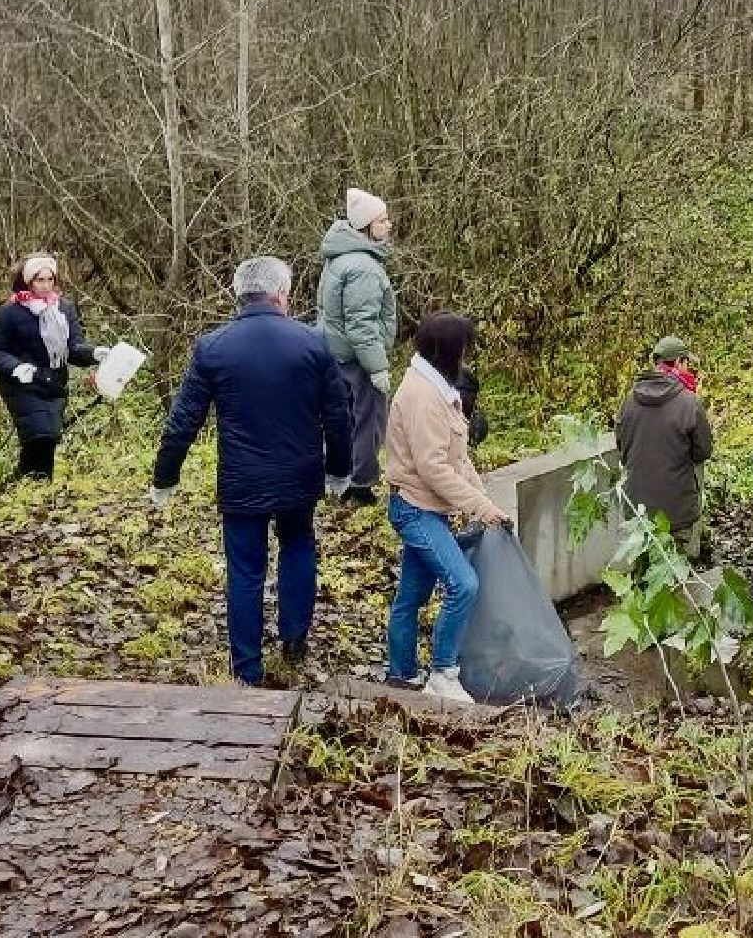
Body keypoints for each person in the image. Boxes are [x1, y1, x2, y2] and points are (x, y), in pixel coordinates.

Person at [150, 257, 353, 687]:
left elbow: (184, 419)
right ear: (283, 293)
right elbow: (337, 415)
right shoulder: (313, 343)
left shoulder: (214, 347)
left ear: (238, 294)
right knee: (298, 545)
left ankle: (247, 667)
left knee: (245, 569)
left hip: (242, 477)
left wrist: (165, 476)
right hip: (298, 475)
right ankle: (294, 637)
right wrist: (339, 470)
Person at [382, 313, 511, 702]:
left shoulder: (439, 389)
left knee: (411, 596)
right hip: (414, 508)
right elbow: (434, 468)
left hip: (428, 508)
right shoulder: (423, 396)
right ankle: (443, 673)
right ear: (451, 351)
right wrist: (480, 510)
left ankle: (401, 675)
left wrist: (485, 504)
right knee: (463, 583)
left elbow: (459, 460)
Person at [0, 254, 110, 479]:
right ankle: (32, 487)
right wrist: (16, 367)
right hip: (22, 386)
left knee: (47, 440)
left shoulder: (64, 309)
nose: (46, 285)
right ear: (28, 281)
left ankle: (29, 485)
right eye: (40, 280)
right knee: (39, 435)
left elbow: (73, 348)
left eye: (50, 279)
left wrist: (94, 354)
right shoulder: (10, 312)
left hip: (54, 385)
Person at [316, 187, 397, 505]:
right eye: (383, 220)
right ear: (367, 226)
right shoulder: (362, 267)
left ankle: (338, 479)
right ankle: (360, 486)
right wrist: (377, 368)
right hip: (357, 360)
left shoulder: (341, 258)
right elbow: (362, 326)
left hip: (337, 355)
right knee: (368, 419)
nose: (389, 225)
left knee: (342, 418)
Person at [616, 334, 715, 560]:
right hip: (677, 513)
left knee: (645, 573)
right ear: (679, 363)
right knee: (676, 572)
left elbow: (622, 447)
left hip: (637, 511)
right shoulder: (689, 402)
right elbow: (703, 451)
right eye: (687, 362)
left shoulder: (629, 400)